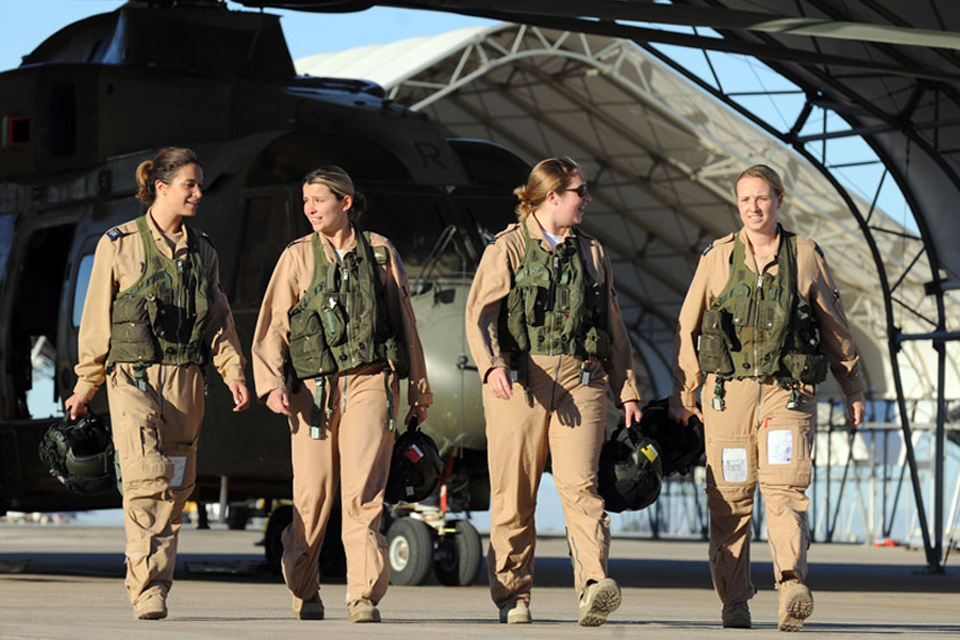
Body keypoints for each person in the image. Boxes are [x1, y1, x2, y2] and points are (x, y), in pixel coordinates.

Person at [669, 164, 866, 632]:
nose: (753, 208)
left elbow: (834, 326)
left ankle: (792, 583)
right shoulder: (716, 258)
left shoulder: (804, 255)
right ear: (737, 205)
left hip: (786, 394)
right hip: (727, 398)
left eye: (761, 198)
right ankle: (734, 601)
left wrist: (853, 386)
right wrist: (687, 390)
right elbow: (688, 326)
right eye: (744, 200)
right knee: (731, 502)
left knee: (785, 492)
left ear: (779, 200)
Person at [64, 147, 251, 620]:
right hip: (133, 379)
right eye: (190, 184)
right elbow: (96, 321)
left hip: (186, 380)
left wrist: (233, 372)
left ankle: (157, 583)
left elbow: (219, 322)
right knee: (146, 480)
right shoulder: (119, 243)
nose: (198, 193)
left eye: (199, 184)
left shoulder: (203, 250)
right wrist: (87, 384)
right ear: (162, 187)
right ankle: (148, 587)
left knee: (175, 487)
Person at [465, 157, 643, 626]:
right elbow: (479, 315)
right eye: (579, 191)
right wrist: (491, 367)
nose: (586, 199)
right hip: (521, 382)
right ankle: (513, 596)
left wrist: (627, 389)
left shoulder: (593, 252)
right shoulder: (507, 249)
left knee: (582, 489)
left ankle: (592, 586)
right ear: (552, 197)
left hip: (581, 381)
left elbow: (613, 326)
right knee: (514, 494)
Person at [251, 166, 431, 623]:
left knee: (363, 494)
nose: (310, 208)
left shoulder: (380, 252)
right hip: (313, 391)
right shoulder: (296, 257)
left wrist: (419, 389)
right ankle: (303, 586)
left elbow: (404, 323)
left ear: (345, 203)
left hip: (372, 382)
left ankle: (362, 596)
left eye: (319, 200)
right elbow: (272, 327)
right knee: (312, 497)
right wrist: (272, 383)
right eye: (306, 200)